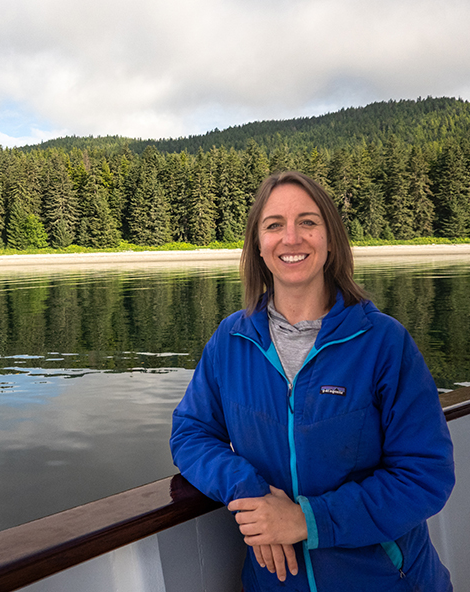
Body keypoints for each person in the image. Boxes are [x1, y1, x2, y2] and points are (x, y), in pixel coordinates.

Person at [170, 171, 455, 592]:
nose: (291, 238)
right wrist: (250, 492)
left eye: (308, 221)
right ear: (258, 247)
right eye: (273, 225)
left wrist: (306, 519)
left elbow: (424, 475)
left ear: (330, 239)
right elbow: (191, 432)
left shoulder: (382, 342)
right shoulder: (231, 341)